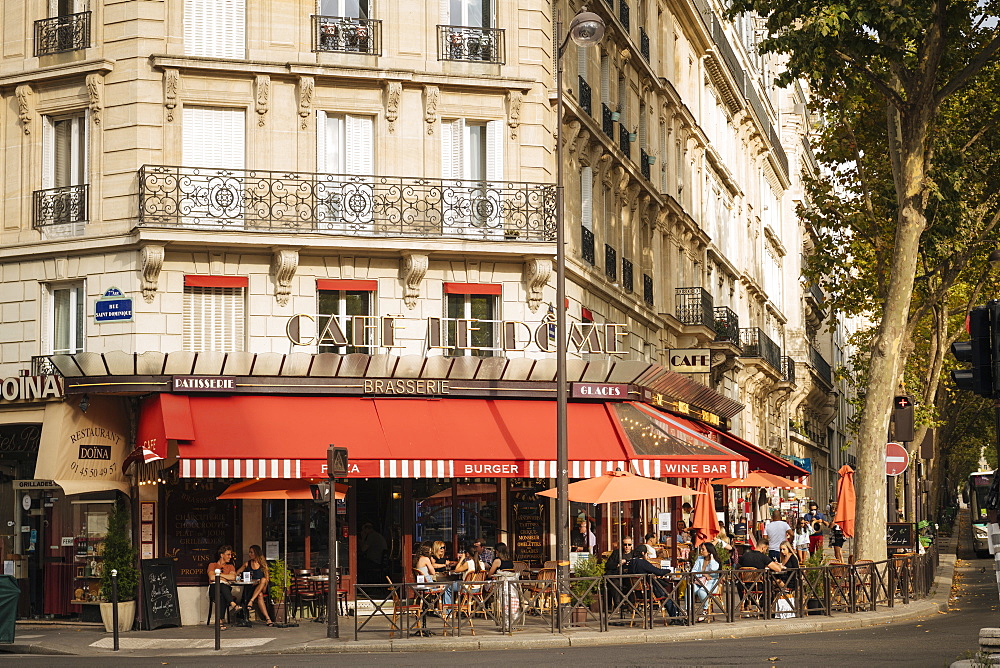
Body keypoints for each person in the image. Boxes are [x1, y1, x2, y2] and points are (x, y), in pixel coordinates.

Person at [206, 545, 243, 629]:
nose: (230, 557)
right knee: (221, 586)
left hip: (225, 590)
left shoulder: (230, 566)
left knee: (222, 594)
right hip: (213, 588)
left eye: (230, 555)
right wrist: (225, 577)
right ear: (222, 555)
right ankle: (233, 604)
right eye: (228, 554)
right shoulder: (212, 565)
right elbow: (211, 577)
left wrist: (218, 575)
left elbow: (233, 577)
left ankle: (219, 621)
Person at [236, 544, 273, 626]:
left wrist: (259, 583)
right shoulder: (247, 564)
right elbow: (237, 573)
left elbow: (267, 579)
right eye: (249, 552)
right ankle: (268, 618)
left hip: (263, 586)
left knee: (263, 580)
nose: (250, 554)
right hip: (251, 587)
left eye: (251, 552)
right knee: (259, 595)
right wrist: (241, 577)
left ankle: (251, 601)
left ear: (256, 553)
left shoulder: (263, 565)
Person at [690, 542, 721, 622]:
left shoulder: (714, 561)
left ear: (709, 551)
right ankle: (687, 610)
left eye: (703, 549)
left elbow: (714, 569)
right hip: (700, 581)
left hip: (712, 583)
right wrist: (704, 574)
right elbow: (693, 570)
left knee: (702, 591)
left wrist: (712, 559)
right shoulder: (700, 559)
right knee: (690, 588)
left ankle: (705, 610)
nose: (701, 551)